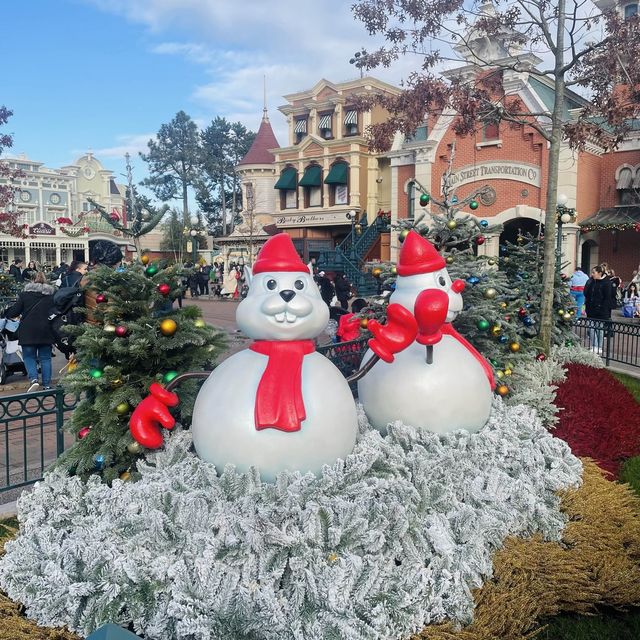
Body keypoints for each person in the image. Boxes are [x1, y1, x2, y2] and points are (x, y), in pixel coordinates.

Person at [3, 271, 56, 391]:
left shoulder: (24, 295)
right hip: (46, 330)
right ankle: (47, 385)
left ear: (32, 281)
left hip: (28, 331)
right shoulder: (51, 296)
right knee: (45, 358)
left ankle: (34, 379)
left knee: (28, 357)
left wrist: (8, 312)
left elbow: (13, 312)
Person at [584, 265, 613, 354]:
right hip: (591, 309)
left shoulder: (606, 283)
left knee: (600, 329)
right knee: (591, 328)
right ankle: (594, 346)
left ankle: (599, 347)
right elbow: (586, 293)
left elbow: (607, 297)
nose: (592, 274)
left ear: (599, 273)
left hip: (601, 310)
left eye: (594, 273)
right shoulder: (591, 281)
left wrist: (602, 307)